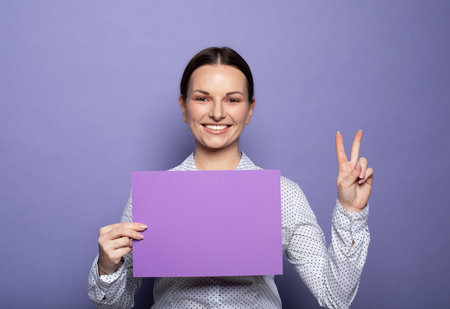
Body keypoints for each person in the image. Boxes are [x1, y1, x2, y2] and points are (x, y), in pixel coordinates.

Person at [88, 47, 373, 309]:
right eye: (202, 98)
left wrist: (351, 212)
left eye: (232, 100)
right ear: (184, 106)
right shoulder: (152, 197)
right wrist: (107, 267)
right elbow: (115, 305)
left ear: (249, 109)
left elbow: (334, 297)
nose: (217, 112)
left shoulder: (283, 194)